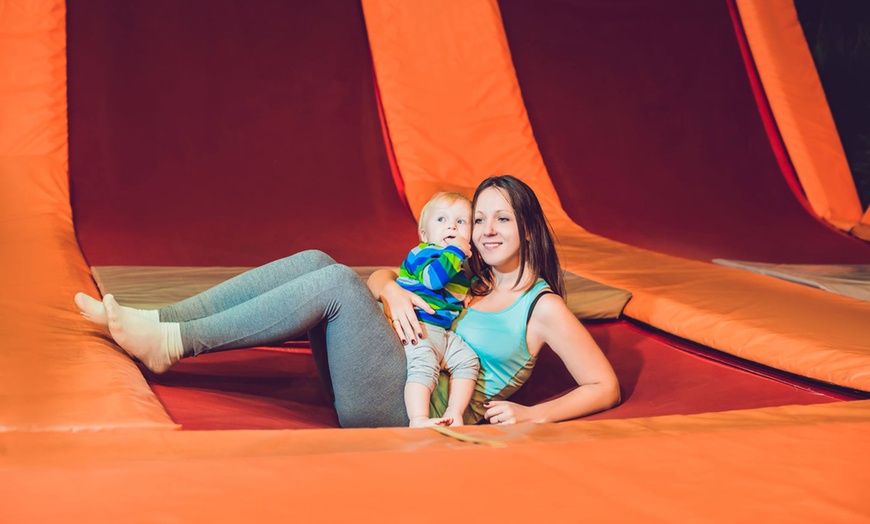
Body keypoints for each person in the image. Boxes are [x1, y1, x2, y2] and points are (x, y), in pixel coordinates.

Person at [75, 175, 620, 428]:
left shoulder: (540, 306)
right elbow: (386, 274)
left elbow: (604, 384)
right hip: (385, 369)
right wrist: (389, 290)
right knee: (317, 260)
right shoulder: (473, 279)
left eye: (502, 218)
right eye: (479, 219)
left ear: (528, 228)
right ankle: (156, 321)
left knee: (335, 283)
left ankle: (171, 345)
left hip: (414, 410)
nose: (486, 229)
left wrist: (534, 417)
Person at [396, 192, 479, 428]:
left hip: (442, 333)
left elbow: (453, 287)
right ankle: (418, 418)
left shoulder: (456, 266)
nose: (452, 225)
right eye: (441, 220)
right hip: (419, 327)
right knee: (423, 368)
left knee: (468, 360)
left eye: (461, 222)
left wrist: (466, 292)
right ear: (424, 234)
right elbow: (434, 280)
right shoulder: (422, 253)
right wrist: (457, 250)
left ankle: (455, 412)